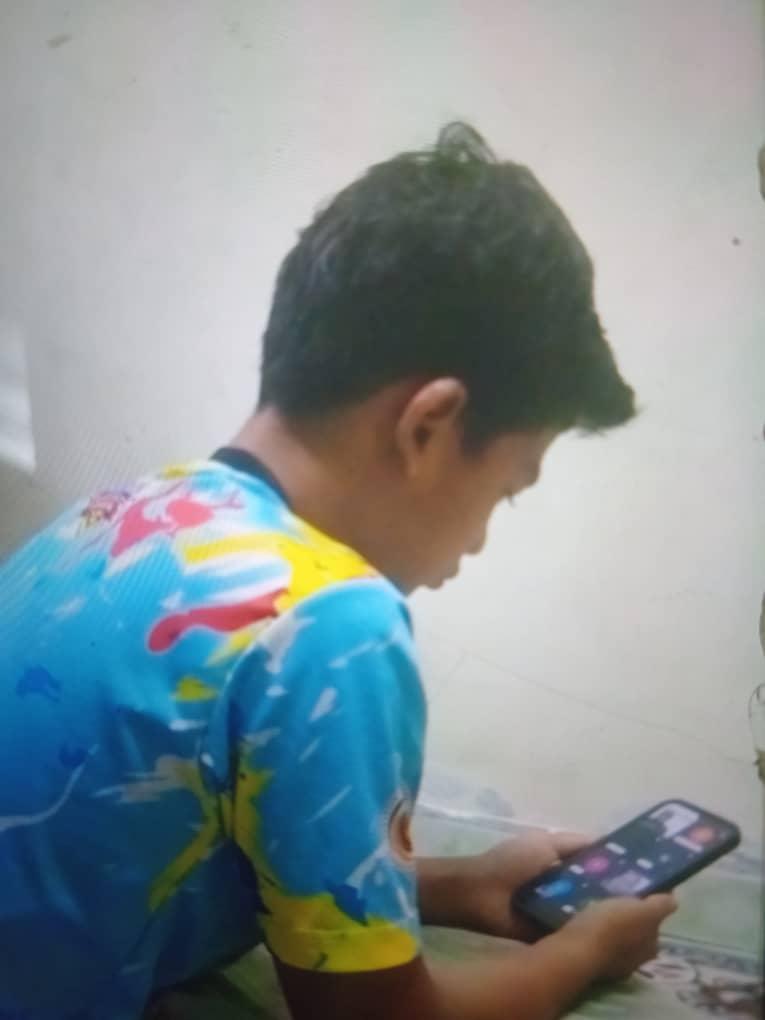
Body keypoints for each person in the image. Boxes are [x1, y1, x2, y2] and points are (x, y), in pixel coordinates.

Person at [0, 123, 676, 1020]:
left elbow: (218, 846)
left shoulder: (125, 513)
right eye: (505, 492)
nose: (478, 542)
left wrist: (460, 885)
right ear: (428, 426)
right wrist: (581, 954)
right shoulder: (331, 622)